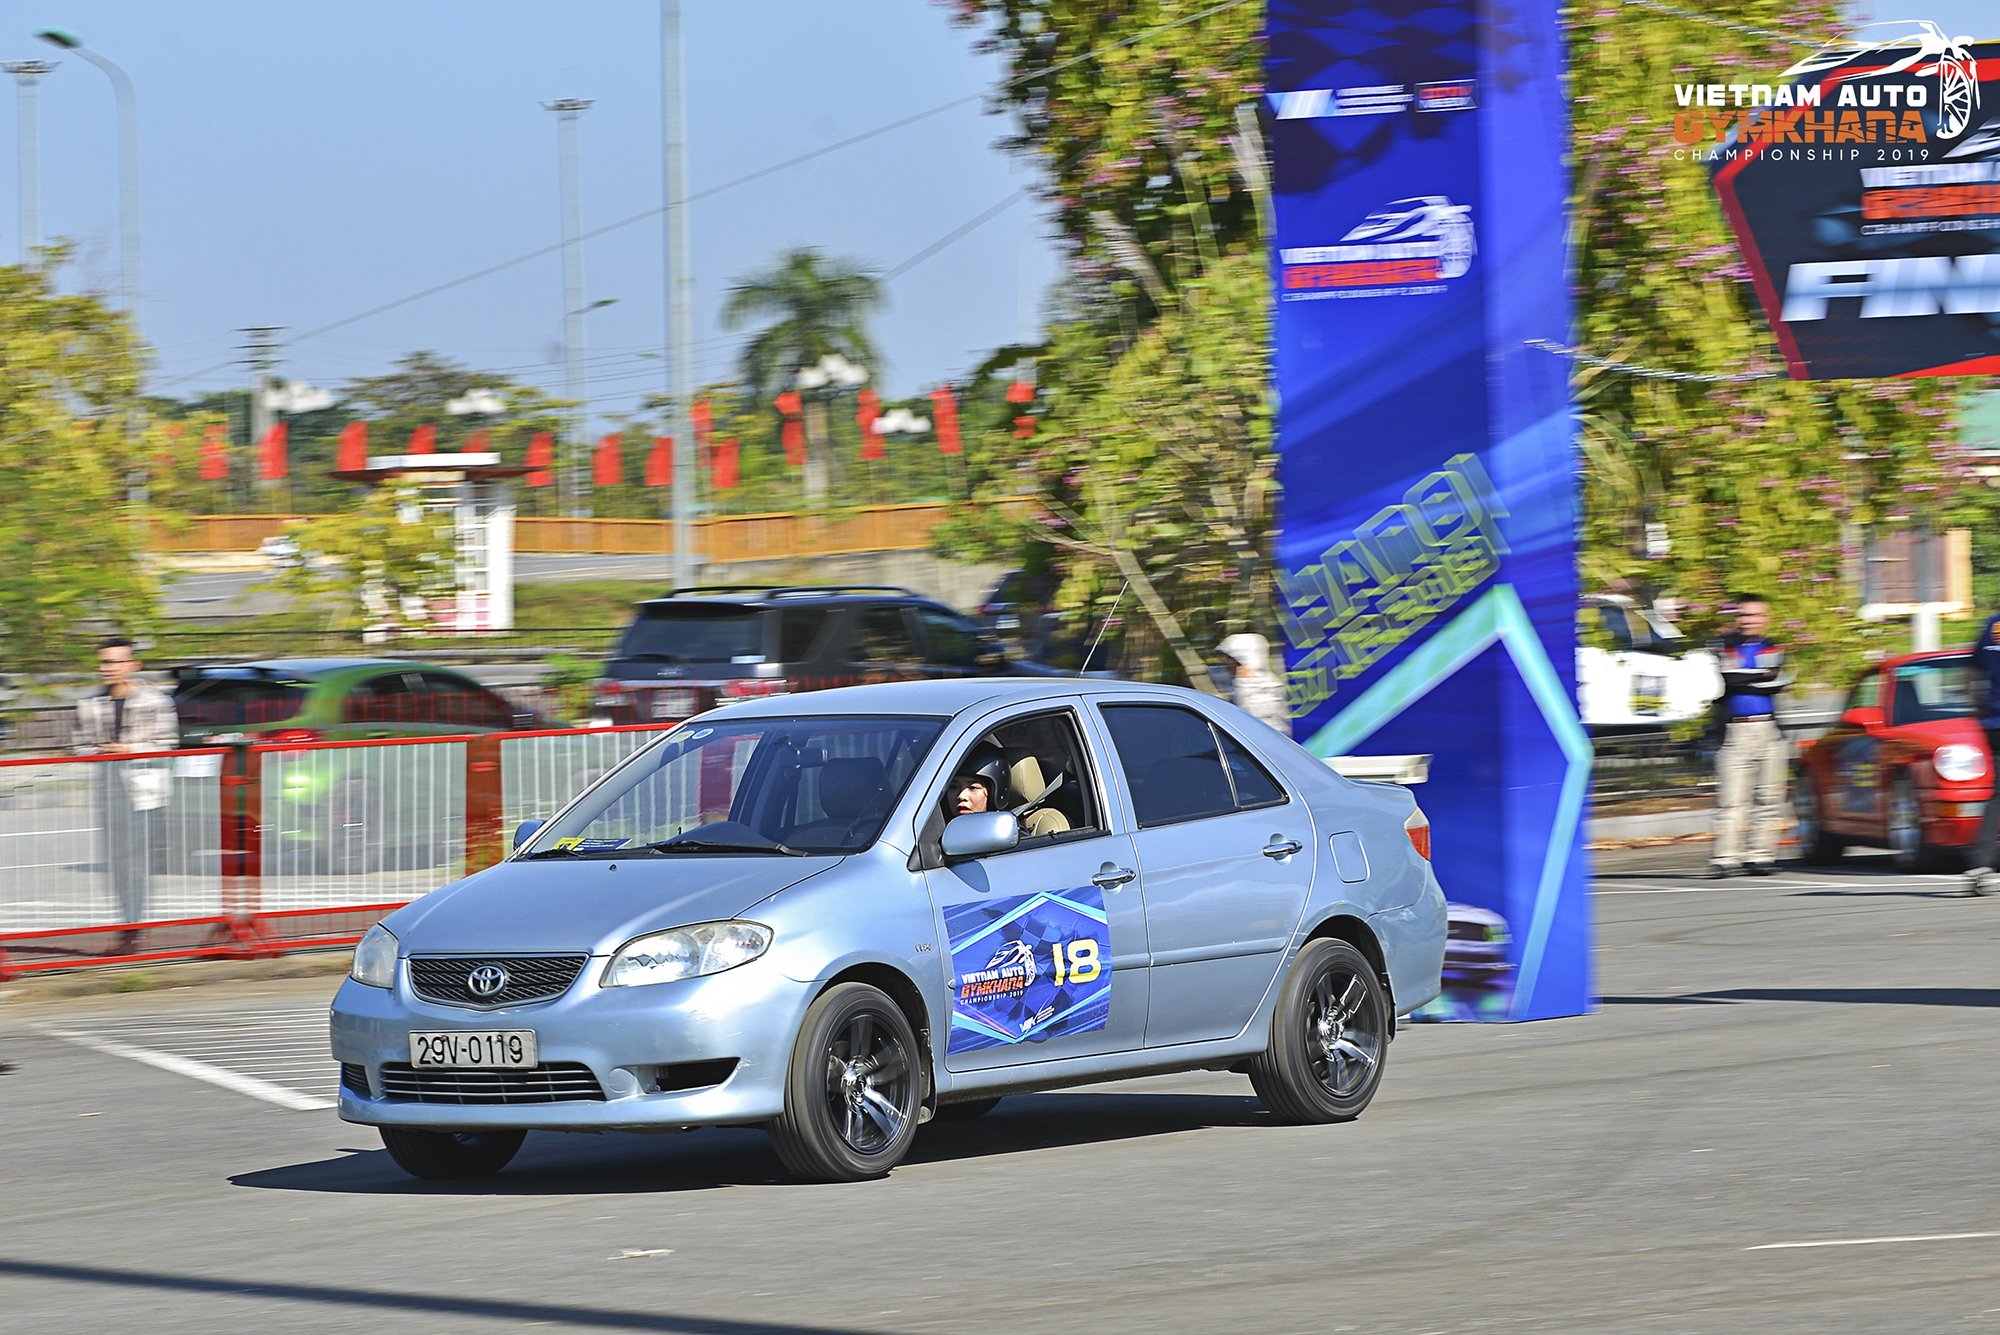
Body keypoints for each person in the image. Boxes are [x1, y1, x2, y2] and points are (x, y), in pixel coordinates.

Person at [74, 636, 179, 948]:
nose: (109, 668)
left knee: (136, 861)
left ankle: (134, 927)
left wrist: (129, 749)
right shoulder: (90, 703)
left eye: (117, 661)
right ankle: (128, 922)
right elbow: (78, 746)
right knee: (117, 861)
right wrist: (97, 752)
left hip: (144, 793)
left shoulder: (156, 701)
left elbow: (168, 745)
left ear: (134, 665)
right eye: (105, 662)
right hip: (109, 791)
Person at [1709, 594, 1791, 878]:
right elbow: (1727, 680)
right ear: (1737, 617)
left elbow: (1777, 682)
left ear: (1765, 618)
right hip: (1735, 730)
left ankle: (1760, 856)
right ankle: (1726, 859)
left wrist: (1747, 678)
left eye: (1755, 615)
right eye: (1744, 615)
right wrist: (1759, 676)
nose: (1749, 620)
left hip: (1768, 729)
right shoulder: (1724, 646)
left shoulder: (1774, 646)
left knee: (1769, 799)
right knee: (1732, 801)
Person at [1964, 607, 2000, 895]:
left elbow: (1970, 671)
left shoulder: (1991, 626)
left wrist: (1977, 708)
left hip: (1992, 723)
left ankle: (1981, 862)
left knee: (1997, 795)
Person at [1217, 632, 1291, 736]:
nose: (1225, 662)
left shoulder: (1265, 691)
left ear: (1242, 658)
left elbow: (1265, 732)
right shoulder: (1239, 685)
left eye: (1229, 657)